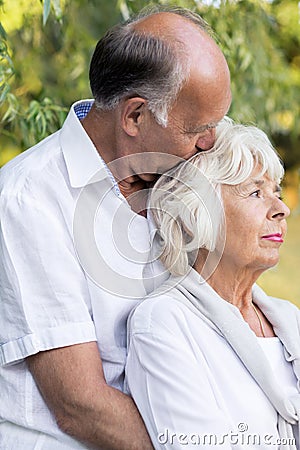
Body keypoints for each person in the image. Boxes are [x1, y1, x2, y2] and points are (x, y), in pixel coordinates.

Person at [0, 5, 231, 450]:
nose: (211, 143)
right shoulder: (29, 201)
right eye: (199, 128)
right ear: (135, 117)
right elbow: (80, 406)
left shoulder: (172, 181)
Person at [125, 118, 300, 450]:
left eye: (275, 192)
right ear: (198, 213)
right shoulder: (164, 323)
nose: (282, 209)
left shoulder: (290, 320)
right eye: (256, 192)